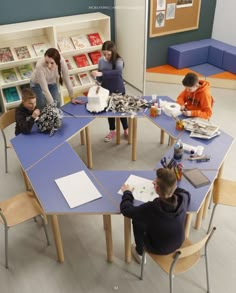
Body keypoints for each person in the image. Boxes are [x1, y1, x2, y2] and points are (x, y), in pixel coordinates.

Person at [120, 168, 191, 264]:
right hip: (179, 242)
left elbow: (126, 210)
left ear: (157, 189)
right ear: (175, 186)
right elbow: (186, 193)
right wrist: (168, 187)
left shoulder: (152, 208)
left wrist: (127, 192)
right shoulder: (183, 199)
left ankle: (140, 252)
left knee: (138, 220)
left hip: (158, 248)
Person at [91, 41, 128, 142]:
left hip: (118, 88)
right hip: (106, 90)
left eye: (109, 54)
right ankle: (112, 130)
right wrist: (97, 80)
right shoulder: (101, 61)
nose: (106, 56)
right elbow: (100, 77)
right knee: (109, 111)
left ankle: (126, 128)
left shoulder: (119, 60)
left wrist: (101, 73)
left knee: (121, 110)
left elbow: (117, 72)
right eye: (104, 54)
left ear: (113, 52)